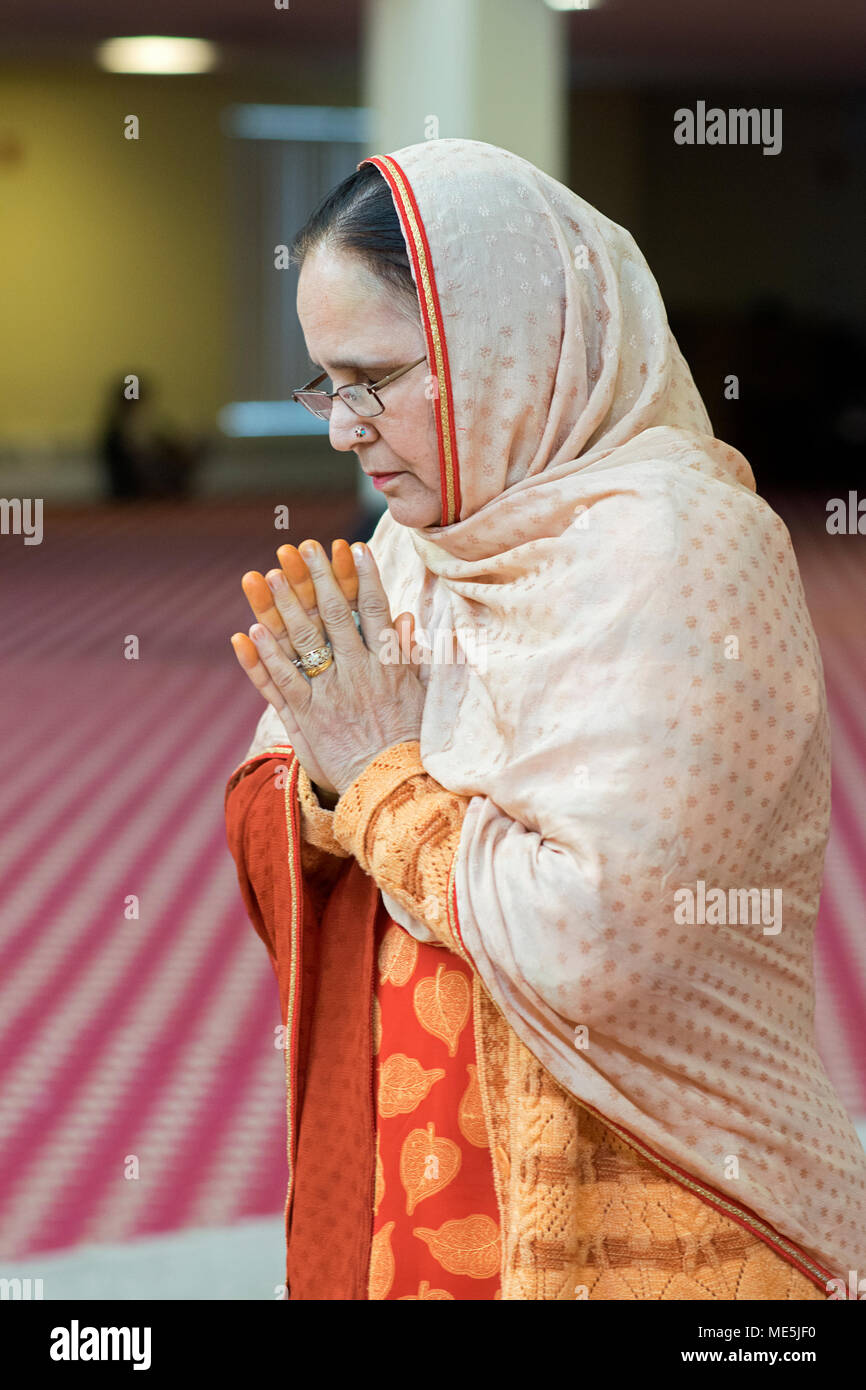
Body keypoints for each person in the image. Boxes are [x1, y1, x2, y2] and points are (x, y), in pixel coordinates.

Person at [224, 139, 866, 1301]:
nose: (342, 428)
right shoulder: (422, 541)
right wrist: (315, 781)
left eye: (372, 379)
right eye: (325, 382)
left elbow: (596, 940)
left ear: (502, 348)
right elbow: (296, 787)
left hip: (652, 1183)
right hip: (422, 1176)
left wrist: (372, 770)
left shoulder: (679, 550)